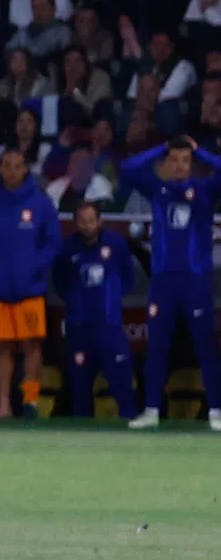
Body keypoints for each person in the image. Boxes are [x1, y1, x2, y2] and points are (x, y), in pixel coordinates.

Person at [118, 134, 221, 429]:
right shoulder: (157, 188)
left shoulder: (204, 190)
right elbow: (128, 169)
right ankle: (151, 410)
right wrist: (160, 148)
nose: (179, 165)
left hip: (195, 281)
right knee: (157, 346)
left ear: (192, 164)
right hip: (163, 283)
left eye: (185, 160)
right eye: (174, 160)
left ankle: (216, 410)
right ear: (166, 162)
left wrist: (201, 151)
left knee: (205, 346)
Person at [0, 147, 61, 419]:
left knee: (31, 346)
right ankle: (3, 405)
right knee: (2, 348)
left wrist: (35, 268)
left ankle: (31, 402)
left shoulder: (40, 203)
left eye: (17, 166)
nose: (12, 171)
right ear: (0, 170)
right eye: (7, 166)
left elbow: (53, 243)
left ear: (26, 170)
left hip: (29, 289)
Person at [56, 201, 139, 421]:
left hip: (109, 327)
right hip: (79, 329)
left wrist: (110, 301)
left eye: (91, 221)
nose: (87, 226)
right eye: (82, 222)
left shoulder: (116, 244)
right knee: (80, 387)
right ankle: (80, 435)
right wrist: (77, 304)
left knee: (122, 383)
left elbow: (128, 277)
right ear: (76, 223)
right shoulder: (67, 249)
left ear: (100, 221)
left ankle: (131, 424)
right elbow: (60, 284)